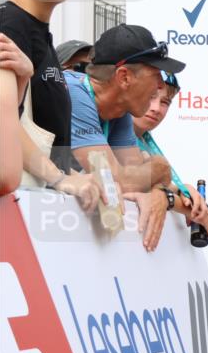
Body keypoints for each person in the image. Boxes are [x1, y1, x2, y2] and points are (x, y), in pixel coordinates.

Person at [0, 0, 101, 206]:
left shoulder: (40, 35)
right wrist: (60, 179)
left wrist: (77, 177)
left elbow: (45, 140)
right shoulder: (9, 26)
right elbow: (5, 122)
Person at [68, 24, 191, 251]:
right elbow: (115, 180)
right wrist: (161, 169)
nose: (160, 86)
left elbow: (137, 181)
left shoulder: (120, 109)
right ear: (124, 77)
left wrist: (159, 194)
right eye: (155, 74)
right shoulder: (73, 93)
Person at [131, 72, 208, 237]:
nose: (155, 108)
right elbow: (137, 185)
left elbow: (158, 186)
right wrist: (182, 205)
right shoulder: (113, 133)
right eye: (150, 96)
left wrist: (184, 190)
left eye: (165, 102)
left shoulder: (146, 139)